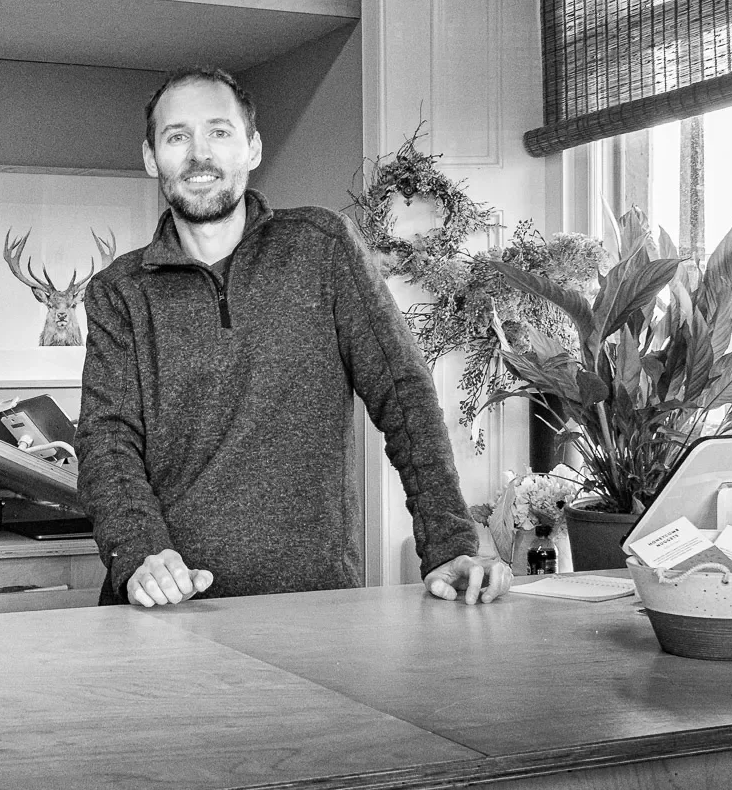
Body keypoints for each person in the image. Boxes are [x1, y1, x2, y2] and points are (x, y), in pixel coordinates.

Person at [76, 67, 511, 608]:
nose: (199, 154)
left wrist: (448, 543)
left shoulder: (321, 247)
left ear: (253, 148)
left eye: (219, 131)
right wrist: (140, 553)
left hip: (314, 604)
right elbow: (107, 441)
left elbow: (404, 394)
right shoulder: (119, 291)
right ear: (151, 158)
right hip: (167, 604)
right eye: (177, 136)